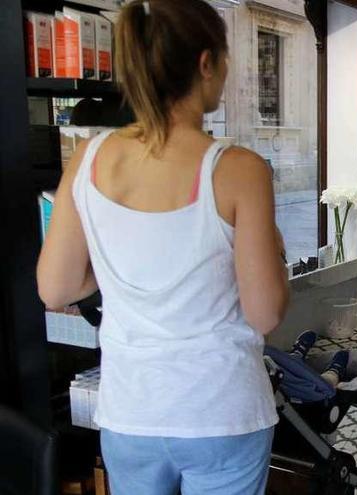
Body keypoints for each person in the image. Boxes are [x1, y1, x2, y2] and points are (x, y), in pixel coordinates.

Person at [36, 1, 288, 493]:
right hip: (222, 414)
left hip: (131, 414)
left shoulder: (88, 159)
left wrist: (110, 272)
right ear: (205, 64)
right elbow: (265, 313)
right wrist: (271, 253)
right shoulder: (238, 169)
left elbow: (55, 287)